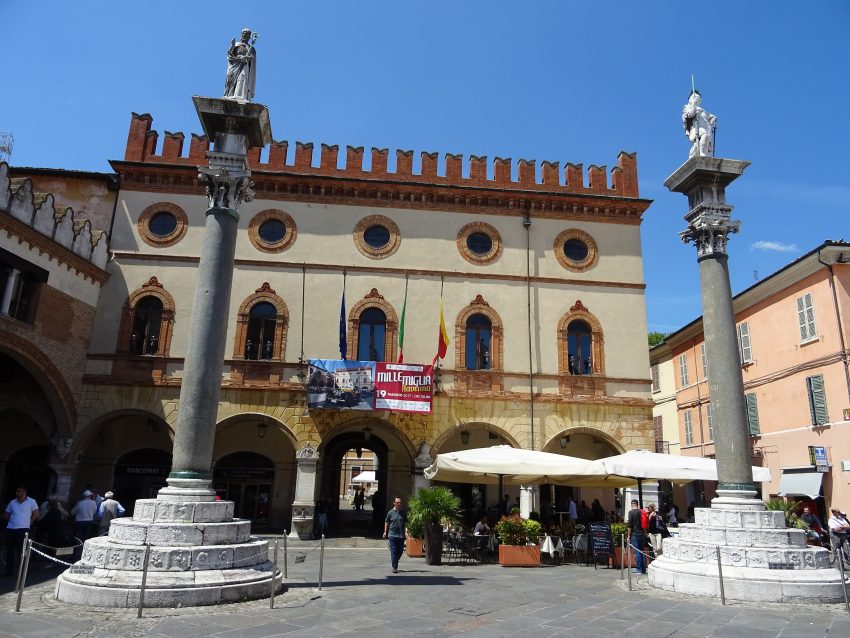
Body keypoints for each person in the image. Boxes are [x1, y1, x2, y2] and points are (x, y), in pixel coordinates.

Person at [4, 485, 39, 577]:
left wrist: (29, 522)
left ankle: (21, 571)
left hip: (23, 530)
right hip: (11, 529)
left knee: (21, 550)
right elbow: (6, 513)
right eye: (16, 491)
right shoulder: (12, 502)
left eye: (19, 491)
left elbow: (36, 514)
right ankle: (9, 571)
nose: (17, 493)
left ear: (24, 492)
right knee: (10, 551)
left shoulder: (31, 501)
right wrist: (11, 521)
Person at [224, 28, 257, 101]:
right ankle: (230, 95)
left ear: (249, 36)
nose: (244, 34)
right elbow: (230, 56)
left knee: (242, 77)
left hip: (244, 66)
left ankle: (239, 96)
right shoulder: (236, 44)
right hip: (235, 65)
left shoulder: (251, 48)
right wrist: (232, 46)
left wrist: (249, 58)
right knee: (231, 80)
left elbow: (253, 62)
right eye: (243, 33)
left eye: (247, 34)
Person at [681, 89, 717, 158]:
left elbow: (709, 116)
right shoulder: (687, 108)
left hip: (705, 128)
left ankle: (696, 152)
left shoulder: (702, 110)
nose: (697, 99)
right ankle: (702, 152)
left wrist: (714, 118)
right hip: (696, 128)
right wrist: (693, 105)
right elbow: (690, 114)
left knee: (705, 140)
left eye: (698, 98)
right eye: (695, 98)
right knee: (704, 135)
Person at [382, 496, 407, 574]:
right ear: (394, 503)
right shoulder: (390, 512)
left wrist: (406, 531)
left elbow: (405, 523)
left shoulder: (403, 512)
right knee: (393, 551)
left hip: (401, 535)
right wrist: (385, 532)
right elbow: (386, 522)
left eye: (400, 502)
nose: (399, 504)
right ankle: (394, 567)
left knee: (400, 551)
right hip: (392, 535)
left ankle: (395, 560)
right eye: (397, 503)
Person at [626, 499, 646, 575]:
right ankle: (643, 569)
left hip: (634, 534)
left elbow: (629, 525)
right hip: (641, 533)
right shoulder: (641, 511)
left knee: (637, 552)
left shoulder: (631, 512)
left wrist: (628, 536)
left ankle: (639, 569)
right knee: (642, 551)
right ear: (637, 504)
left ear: (632, 504)